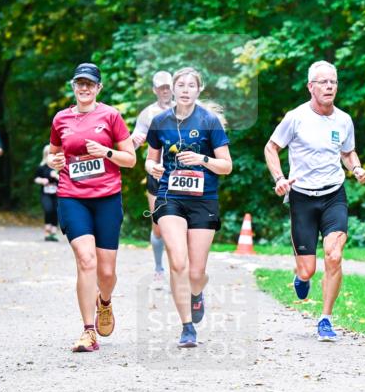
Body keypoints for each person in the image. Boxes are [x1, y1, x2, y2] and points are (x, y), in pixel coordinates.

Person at [264, 60, 365, 342]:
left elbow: (348, 152)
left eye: (333, 82)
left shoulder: (343, 120)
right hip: (302, 197)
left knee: (334, 256)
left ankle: (325, 319)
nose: (329, 86)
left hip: (333, 194)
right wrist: (279, 178)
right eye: (323, 82)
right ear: (311, 87)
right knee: (308, 269)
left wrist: (356, 168)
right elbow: (271, 147)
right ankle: (301, 275)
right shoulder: (295, 117)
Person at [48, 63, 136, 353]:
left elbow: (131, 159)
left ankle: (105, 302)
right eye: (79, 83)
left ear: (99, 88)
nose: (84, 89)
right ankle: (88, 331)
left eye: (90, 84)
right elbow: (54, 154)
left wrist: (106, 152)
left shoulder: (110, 116)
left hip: (107, 198)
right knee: (86, 260)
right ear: (73, 86)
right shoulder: (61, 118)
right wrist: (55, 163)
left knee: (107, 272)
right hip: (72, 196)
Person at [145, 67, 233, 348]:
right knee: (178, 262)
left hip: (203, 199)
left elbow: (226, 166)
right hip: (170, 196)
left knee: (196, 273)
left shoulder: (209, 121)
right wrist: (154, 168)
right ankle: (186, 327)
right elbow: (149, 160)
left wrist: (202, 159)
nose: (184, 89)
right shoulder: (160, 121)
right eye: (180, 85)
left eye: (190, 85)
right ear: (172, 89)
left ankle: (197, 293)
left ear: (199, 89)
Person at [130, 70, 174, 289]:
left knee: (183, 225)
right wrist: (134, 140)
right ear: (154, 90)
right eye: (161, 87)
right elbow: (132, 145)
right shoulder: (148, 114)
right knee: (158, 226)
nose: (165, 91)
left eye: (168, 86)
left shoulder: (185, 109)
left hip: (183, 175)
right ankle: (158, 269)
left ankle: (180, 271)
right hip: (157, 173)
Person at [34, 144, 60, 241]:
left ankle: (53, 233)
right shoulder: (41, 167)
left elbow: (65, 179)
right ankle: (47, 230)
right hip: (45, 193)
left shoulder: (59, 166)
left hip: (57, 193)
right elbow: (36, 178)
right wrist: (42, 180)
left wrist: (56, 176)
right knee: (48, 209)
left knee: (56, 211)